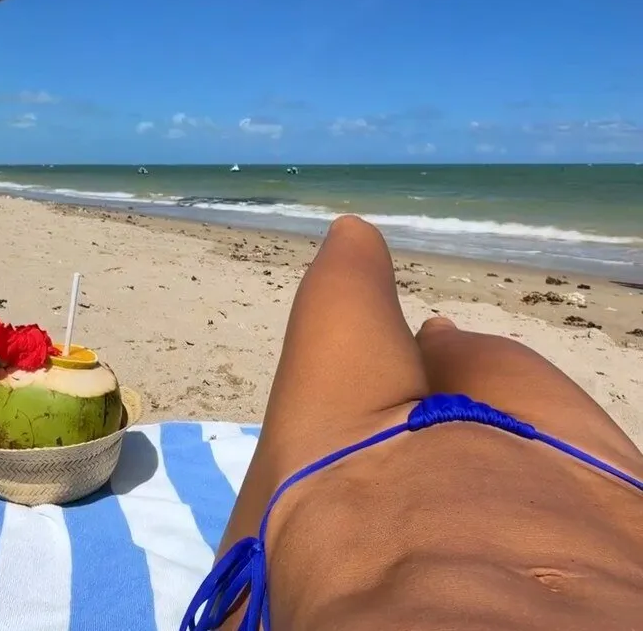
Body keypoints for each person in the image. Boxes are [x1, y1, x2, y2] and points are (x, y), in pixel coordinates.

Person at [182, 215, 643, 630]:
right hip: (589, 470)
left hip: (342, 459)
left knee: (354, 236)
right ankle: (437, 333)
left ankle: (434, 337)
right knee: (431, 322)